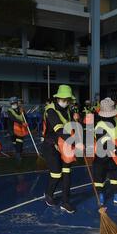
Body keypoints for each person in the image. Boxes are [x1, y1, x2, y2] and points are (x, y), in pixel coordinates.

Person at [42, 85, 78, 213]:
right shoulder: (50, 111)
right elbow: (59, 129)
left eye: (68, 99)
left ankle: (65, 201)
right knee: (57, 173)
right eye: (64, 99)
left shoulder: (68, 109)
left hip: (65, 143)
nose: (66, 102)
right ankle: (49, 194)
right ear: (57, 98)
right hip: (51, 145)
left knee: (67, 173)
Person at [93, 97, 117, 205]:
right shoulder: (100, 126)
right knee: (100, 176)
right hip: (102, 156)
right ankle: (101, 195)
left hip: (115, 156)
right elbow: (106, 143)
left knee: (116, 175)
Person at [7, 97, 29, 162]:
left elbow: (25, 117)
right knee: (15, 142)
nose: (13, 104)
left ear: (17, 103)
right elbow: (12, 118)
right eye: (12, 103)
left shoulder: (21, 110)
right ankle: (18, 152)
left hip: (21, 129)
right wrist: (21, 122)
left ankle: (18, 154)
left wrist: (25, 122)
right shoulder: (9, 110)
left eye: (14, 103)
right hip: (12, 129)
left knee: (20, 141)